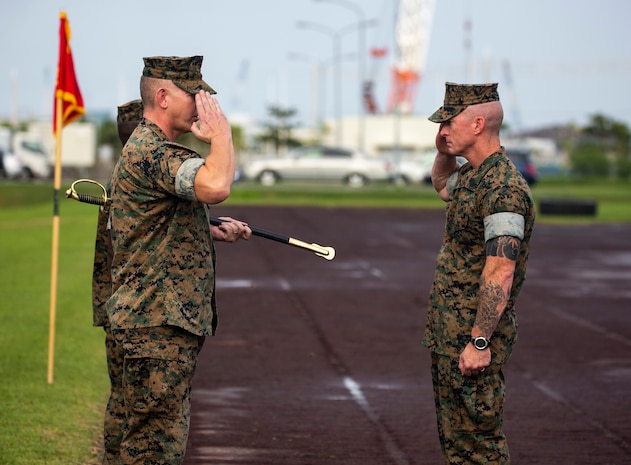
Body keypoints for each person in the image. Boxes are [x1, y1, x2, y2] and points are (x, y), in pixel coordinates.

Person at [93, 56, 251, 465]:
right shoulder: (151, 151)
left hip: (157, 325)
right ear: (163, 97)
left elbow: (158, 219)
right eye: (193, 94)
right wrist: (222, 136)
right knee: (153, 451)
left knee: (149, 442)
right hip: (155, 327)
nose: (203, 103)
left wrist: (205, 228)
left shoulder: (149, 151)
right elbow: (216, 185)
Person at [422, 82, 535, 464]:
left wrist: (480, 342)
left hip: (473, 340)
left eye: (448, 124)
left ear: (477, 125)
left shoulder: (503, 188)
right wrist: (442, 151)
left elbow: (501, 271)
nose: (442, 131)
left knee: (479, 447)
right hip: (451, 335)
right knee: (458, 444)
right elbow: (441, 184)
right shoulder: (473, 176)